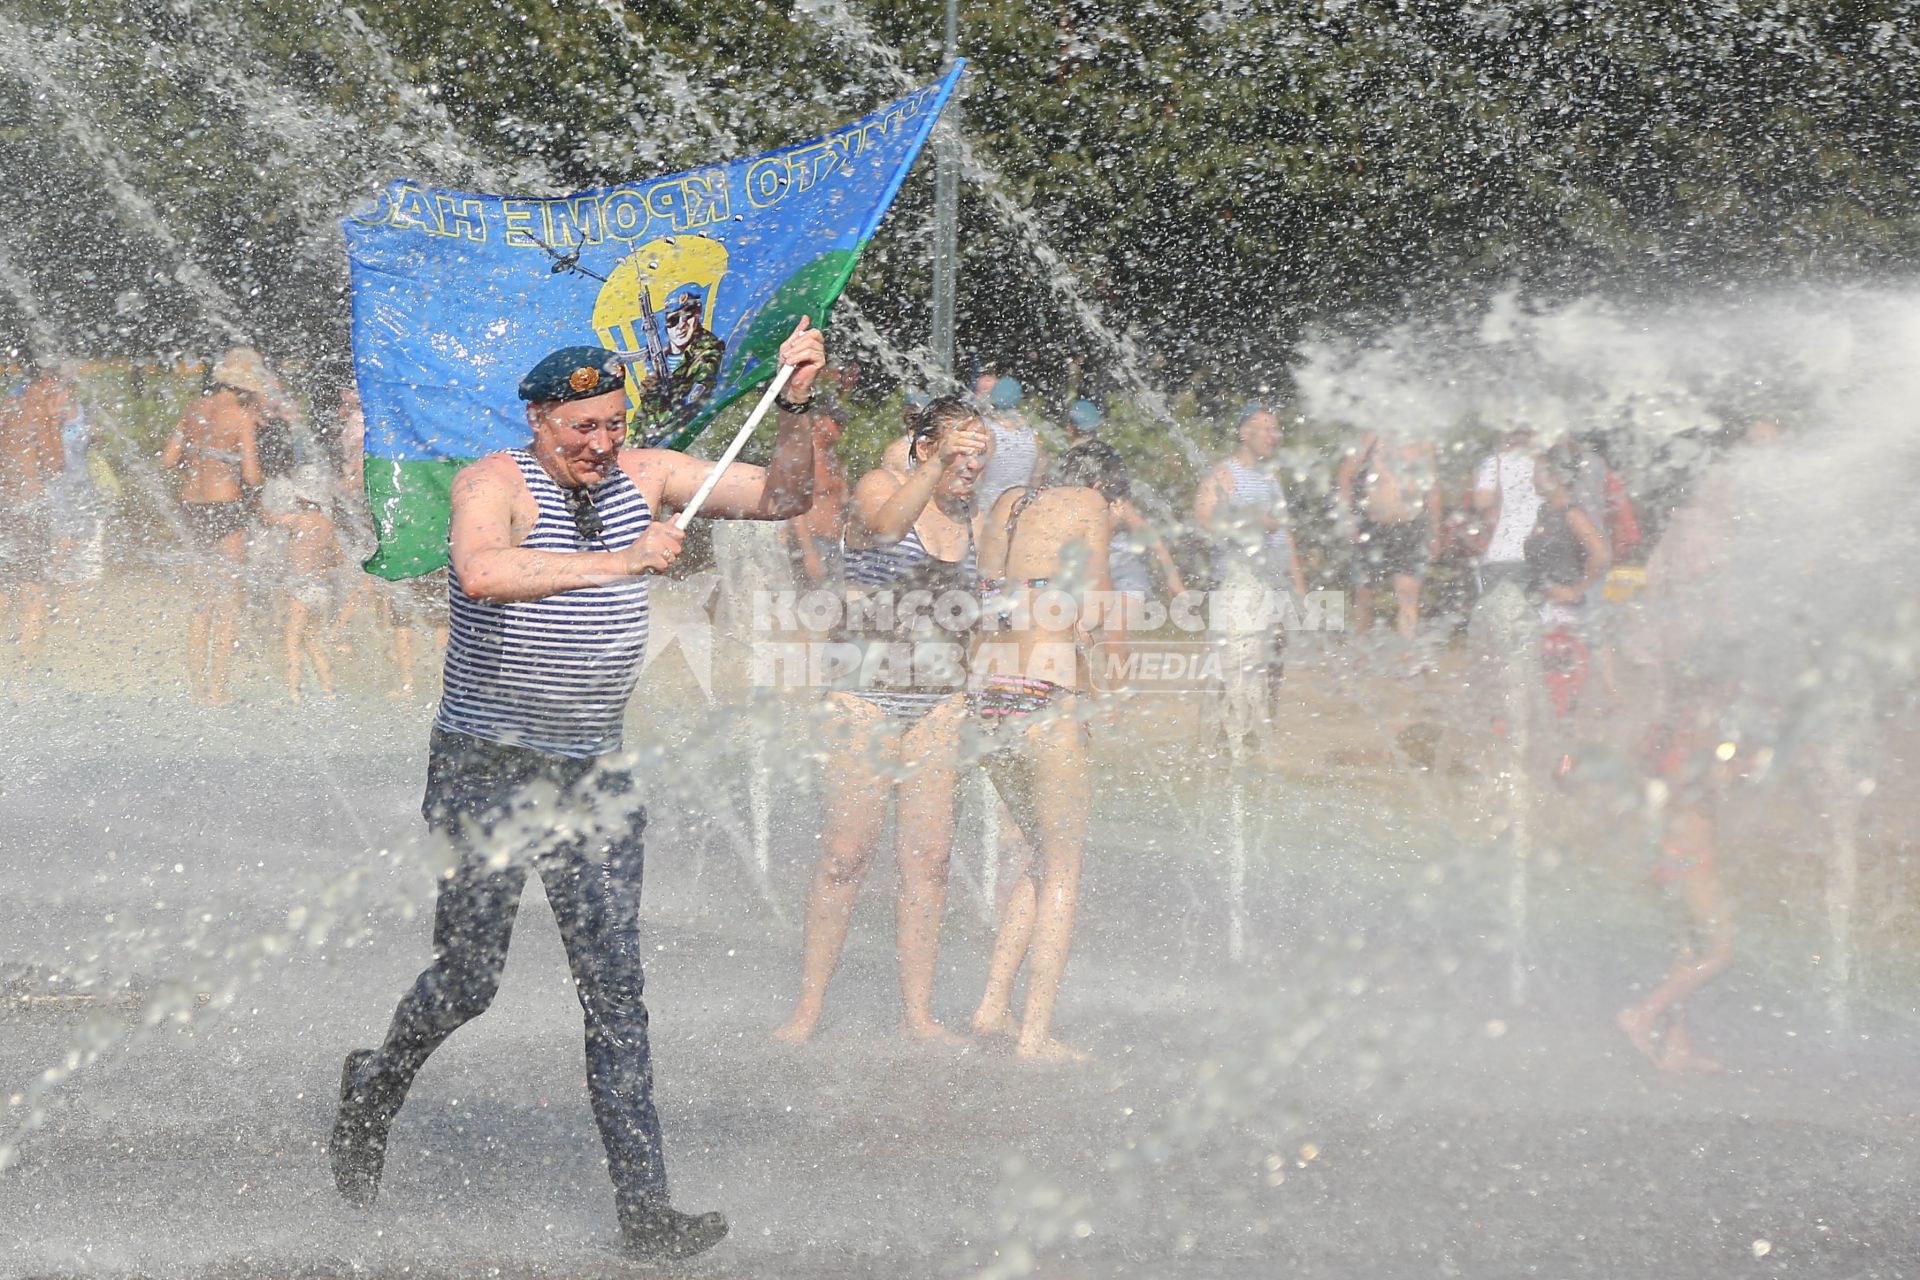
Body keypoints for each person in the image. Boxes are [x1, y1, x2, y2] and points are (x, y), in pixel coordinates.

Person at [328, 320, 826, 1263]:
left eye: (611, 424)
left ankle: (644, 1210)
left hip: (592, 773)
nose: (599, 444)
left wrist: (795, 400)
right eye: (580, 428)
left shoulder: (651, 474)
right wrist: (624, 562)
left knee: (616, 993)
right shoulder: (494, 483)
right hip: (486, 766)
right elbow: (481, 573)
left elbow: (790, 496)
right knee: (471, 979)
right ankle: (375, 1083)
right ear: (539, 419)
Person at [773, 396, 991, 1046]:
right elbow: (890, 529)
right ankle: (807, 1012)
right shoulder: (880, 486)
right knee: (846, 856)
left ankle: (919, 1016)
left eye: (981, 455)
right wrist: (931, 466)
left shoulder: (968, 513)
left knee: (928, 863)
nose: (972, 466)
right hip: (866, 695)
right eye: (960, 451)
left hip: (939, 703)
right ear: (925, 449)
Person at [968, 441, 1117, 1063]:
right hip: (1049, 695)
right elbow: (1102, 601)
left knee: (1036, 849)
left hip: (989, 696)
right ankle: (1035, 1036)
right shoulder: (1089, 503)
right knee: (1064, 866)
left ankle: (992, 1006)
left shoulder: (1006, 503)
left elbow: (997, 595)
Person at [1192, 406, 1307, 757]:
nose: (1274, 436)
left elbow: (1284, 532)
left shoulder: (1271, 478)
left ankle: (1257, 731)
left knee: (1272, 663)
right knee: (1234, 663)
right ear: (1244, 433)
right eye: (1266, 429)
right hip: (1237, 583)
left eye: (1277, 429)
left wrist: (1298, 582)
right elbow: (1203, 518)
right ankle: (1220, 740)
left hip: (1273, 584)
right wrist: (1248, 522)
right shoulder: (1226, 473)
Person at [162, 348, 272, 705]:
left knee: (200, 605)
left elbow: (167, 459)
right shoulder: (239, 415)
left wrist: (201, 463)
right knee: (228, 606)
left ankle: (196, 690)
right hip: (225, 508)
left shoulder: (193, 410)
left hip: (191, 508)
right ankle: (219, 691)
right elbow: (253, 474)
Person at [254, 426, 341, 703]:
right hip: (322, 589)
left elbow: (268, 519)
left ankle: (293, 692)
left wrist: (256, 501)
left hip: (301, 586)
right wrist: (321, 561)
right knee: (313, 640)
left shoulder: (298, 519)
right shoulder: (327, 525)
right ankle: (328, 691)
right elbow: (339, 557)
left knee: (291, 640)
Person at [0, 365, 75, 686]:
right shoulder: (40, 415)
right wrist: (55, 424)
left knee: (3, 594)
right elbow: (55, 463)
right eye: (63, 396)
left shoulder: (5, 409)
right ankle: (23, 681)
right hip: (29, 511)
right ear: (50, 388)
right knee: (34, 595)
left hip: (4, 507)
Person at [1336, 429, 1439, 647]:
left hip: (1411, 527)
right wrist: (1347, 518)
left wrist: (1435, 532)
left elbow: (1433, 489)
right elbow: (1346, 474)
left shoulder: (1423, 442)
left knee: (1408, 592)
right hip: (1373, 526)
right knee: (1365, 595)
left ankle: (1407, 655)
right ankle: (1360, 652)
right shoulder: (1373, 435)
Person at [780, 395, 849, 590]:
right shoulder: (803, 455)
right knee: (814, 610)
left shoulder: (832, 458)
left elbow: (842, 503)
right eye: (837, 421)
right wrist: (809, 553)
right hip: (813, 544)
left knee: (837, 611)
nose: (842, 426)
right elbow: (794, 508)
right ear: (819, 421)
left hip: (834, 544)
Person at [973, 376, 1047, 535]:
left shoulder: (988, 434)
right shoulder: (1033, 438)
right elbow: (1037, 483)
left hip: (988, 515)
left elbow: (976, 478)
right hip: (1018, 516)